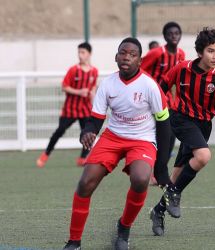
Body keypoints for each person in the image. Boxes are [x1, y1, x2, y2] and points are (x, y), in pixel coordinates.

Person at [63, 37, 171, 250]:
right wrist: (88, 131)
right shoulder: (108, 84)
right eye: (123, 52)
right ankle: (74, 242)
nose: (127, 57)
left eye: (132, 54)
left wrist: (161, 166)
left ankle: (124, 228)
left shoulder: (150, 85)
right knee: (85, 183)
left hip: (142, 140)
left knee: (140, 179)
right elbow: (95, 119)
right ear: (116, 57)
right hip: (112, 137)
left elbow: (164, 125)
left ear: (140, 61)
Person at [149, 27, 215, 236]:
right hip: (180, 118)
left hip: (203, 125)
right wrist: (155, 111)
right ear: (200, 52)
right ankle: (173, 194)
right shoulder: (182, 68)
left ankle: (158, 211)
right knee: (203, 156)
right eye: (211, 51)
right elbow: (161, 86)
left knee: (176, 177)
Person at [36, 42, 98, 168]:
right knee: (59, 131)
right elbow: (64, 87)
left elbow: (93, 90)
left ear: (89, 54)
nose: (80, 55)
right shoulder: (73, 70)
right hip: (70, 109)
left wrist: (94, 101)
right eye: (79, 52)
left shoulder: (94, 71)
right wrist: (79, 92)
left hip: (85, 109)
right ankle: (46, 154)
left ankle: (82, 158)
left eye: (83, 52)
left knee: (88, 134)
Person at [141, 22, 186, 186]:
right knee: (156, 136)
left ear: (180, 35)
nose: (174, 36)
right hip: (151, 101)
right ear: (165, 36)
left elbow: (179, 78)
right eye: (170, 33)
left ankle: (159, 172)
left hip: (168, 103)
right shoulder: (156, 53)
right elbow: (140, 69)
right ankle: (149, 171)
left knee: (170, 137)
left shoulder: (181, 54)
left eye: (177, 33)